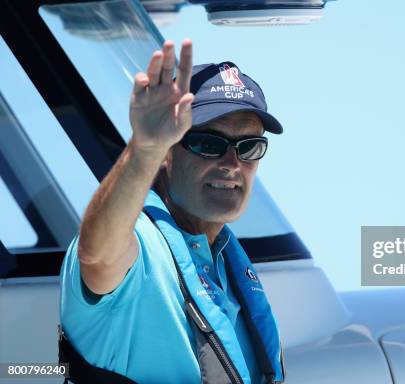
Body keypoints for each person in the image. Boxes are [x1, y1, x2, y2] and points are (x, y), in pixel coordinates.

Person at [58, 39, 285, 384]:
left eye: (249, 146)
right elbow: (97, 257)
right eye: (209, 144)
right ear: (167, 153)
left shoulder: (226, 264)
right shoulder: (138, 248)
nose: (232, 163)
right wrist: (144, 147)